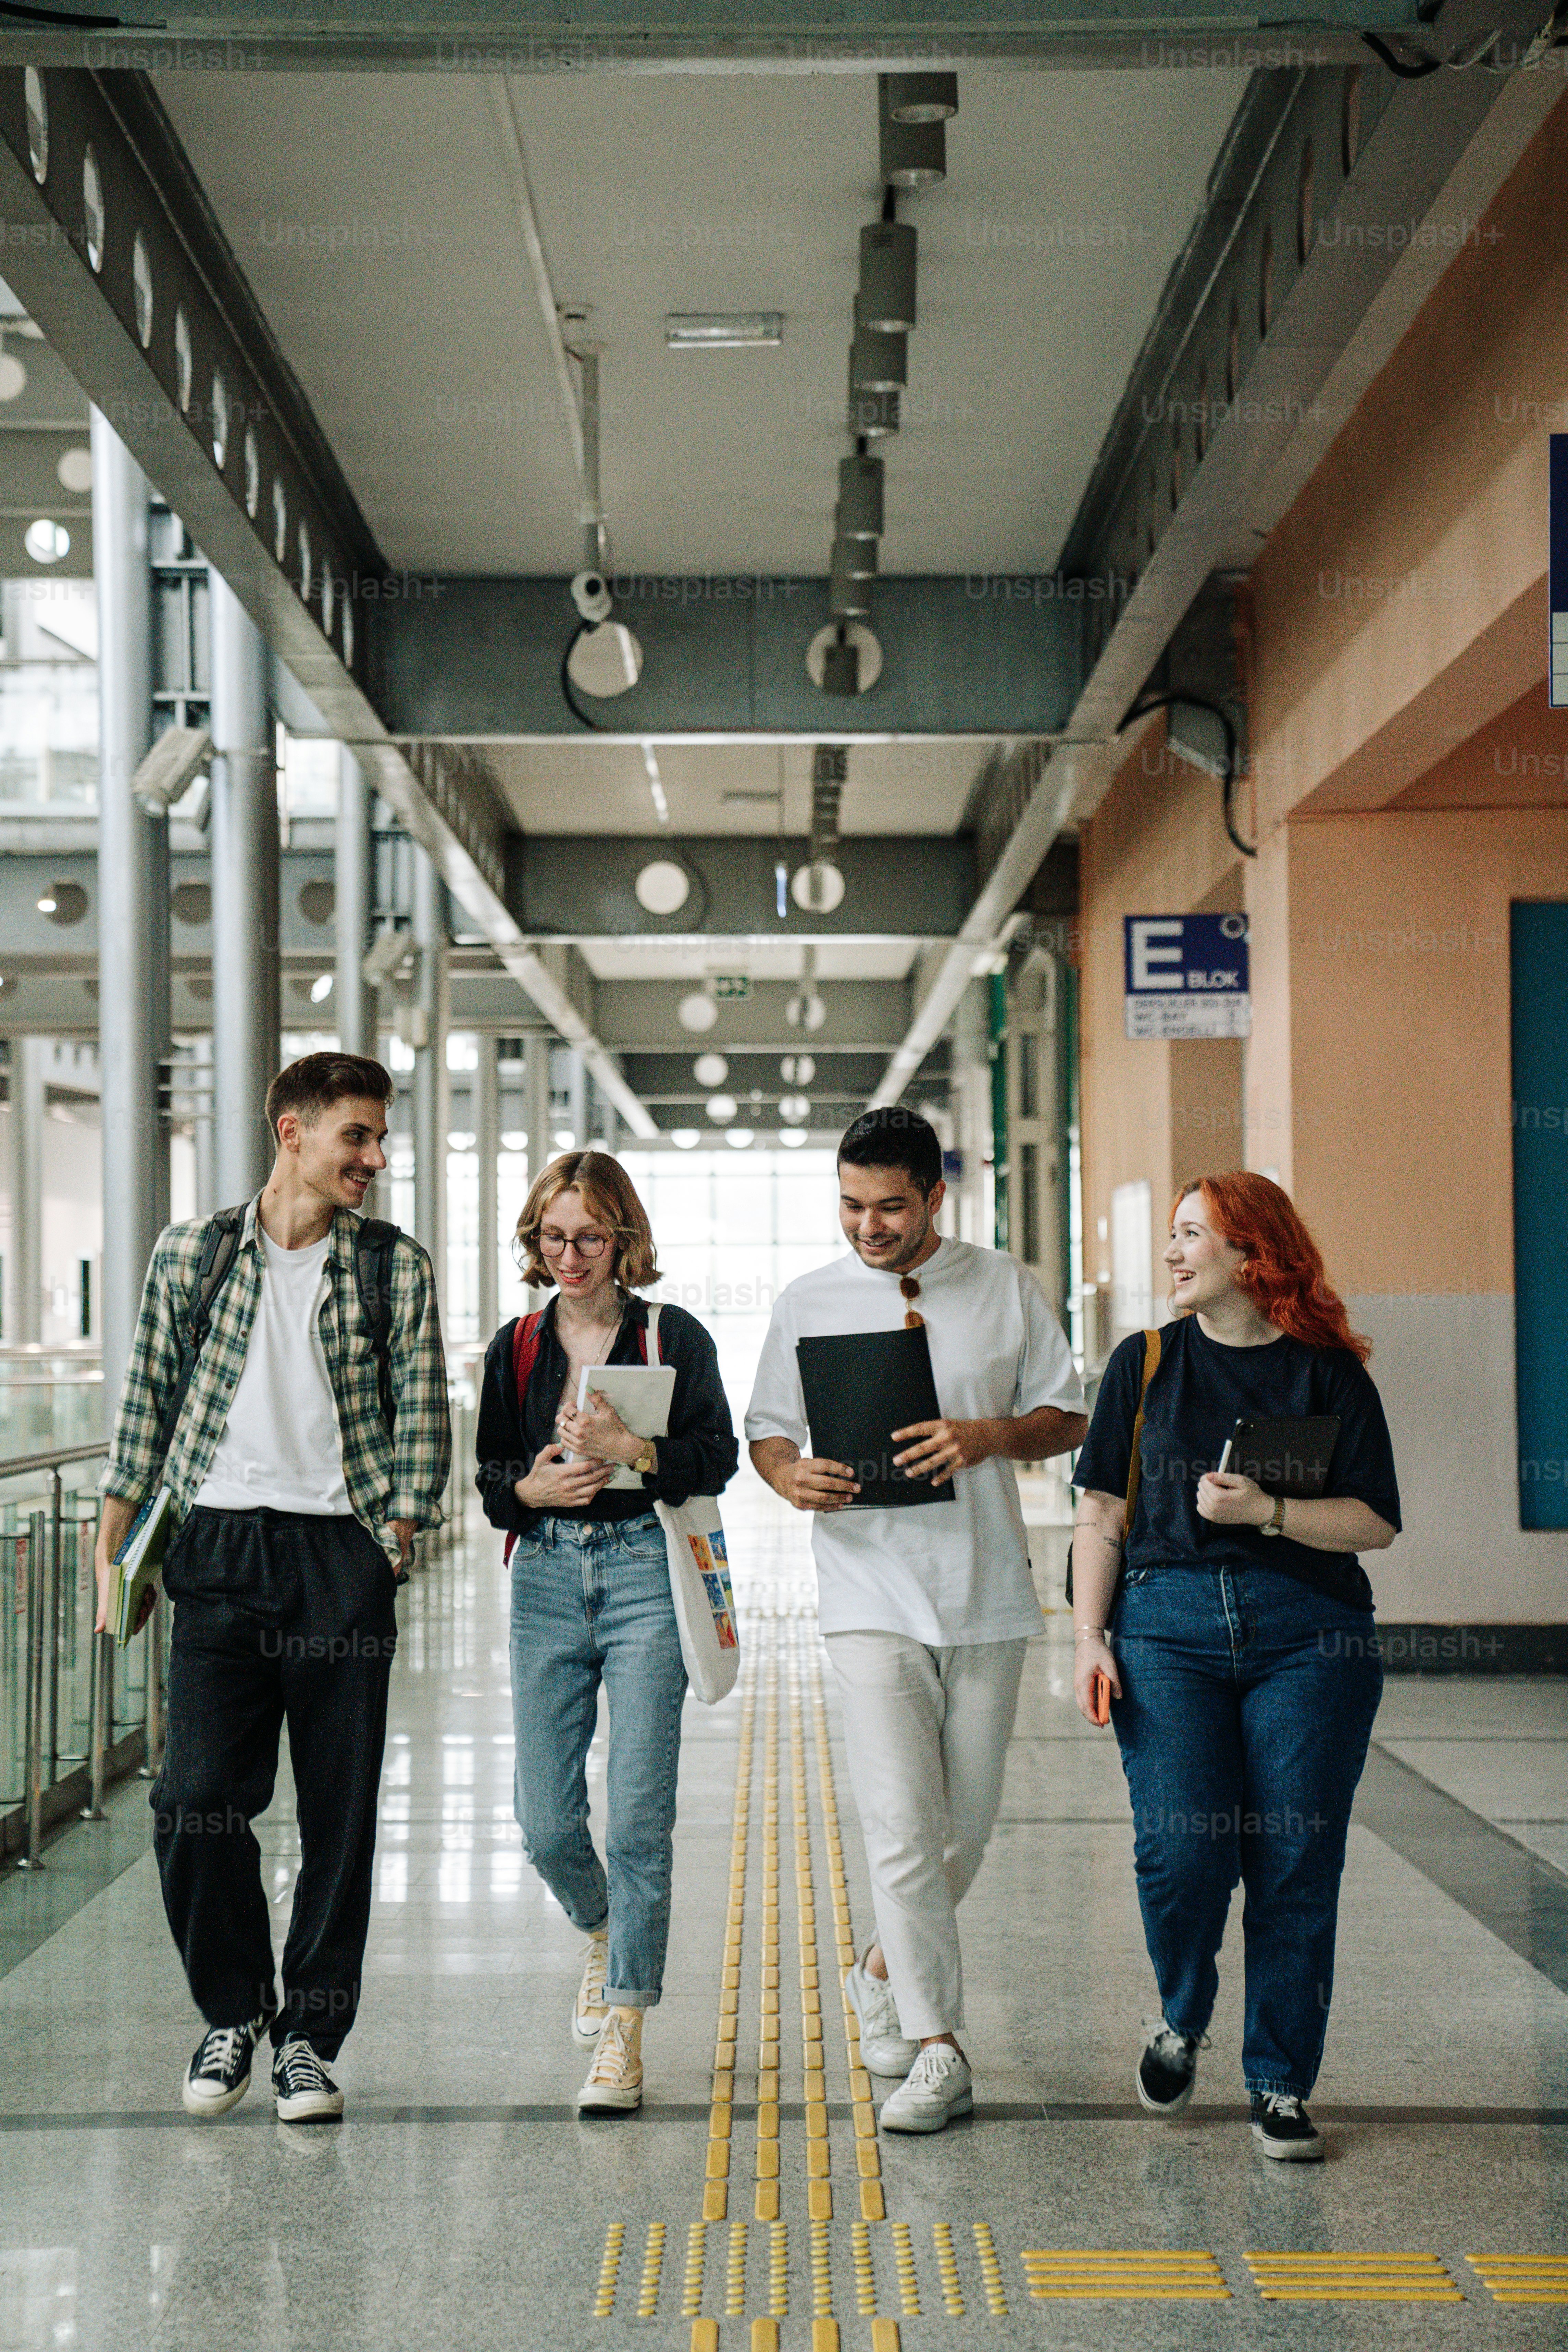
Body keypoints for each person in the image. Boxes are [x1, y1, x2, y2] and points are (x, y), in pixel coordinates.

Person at [95, 1052, 451, 2123]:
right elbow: (147, 1399)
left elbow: (422, 1408)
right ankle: (233, 2012)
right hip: (216, 1552)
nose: (376, 1158)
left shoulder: (394, 1265)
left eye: (381, 1138)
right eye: (358, 1136)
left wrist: (392, 1535)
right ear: (292, 1131)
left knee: (340, 1815)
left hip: (337, 1555)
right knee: (195, 1800)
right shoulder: (194, 1253)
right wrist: (117, 1551)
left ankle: (309, 2039)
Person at [746, 1106, 1087, 2133]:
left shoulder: (1002, 1286)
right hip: (866, 1596)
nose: (868, 1225)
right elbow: (765, 1429)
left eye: (890, 1205)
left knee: (964, 1830)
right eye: (851, 1205)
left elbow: (1066, 1414)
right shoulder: (807, 1299)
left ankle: (883, 1963)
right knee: (899, 1826)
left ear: (935, 1196)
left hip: (984, 1593)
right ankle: (940, 2046)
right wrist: (788, 1475)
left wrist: (989, 1434)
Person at [1071, 1171, 1400, 2163]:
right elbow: (1099, 1513)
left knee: (1295, 1862)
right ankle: (1180, 2014)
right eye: (1170, 1236)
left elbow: (1375, 1521)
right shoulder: (1145, 1362)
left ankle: (1280, 2082)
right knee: (1181, 1853)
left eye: (1190, 1236)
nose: (1171, 1254)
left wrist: (1267, 1512)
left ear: (1252, 1256)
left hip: (1308, 1632)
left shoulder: (1326, 1373)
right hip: (1164, 1627)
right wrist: (1089, 1635)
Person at [475, 1151, 738, 2115]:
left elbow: (721, 1454)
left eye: (588, 1235)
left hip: (642, 1567)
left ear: (623, 1237)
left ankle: (624, 2025)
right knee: (545, 1821)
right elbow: (491, 1476)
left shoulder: (672, 1335)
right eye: (553, 1237)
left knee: (635, 1814)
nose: (570, 1254)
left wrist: (636, 1451)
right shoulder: (514, 1345)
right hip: (545, 1571)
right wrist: (526, 1490)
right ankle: (599, 1927)